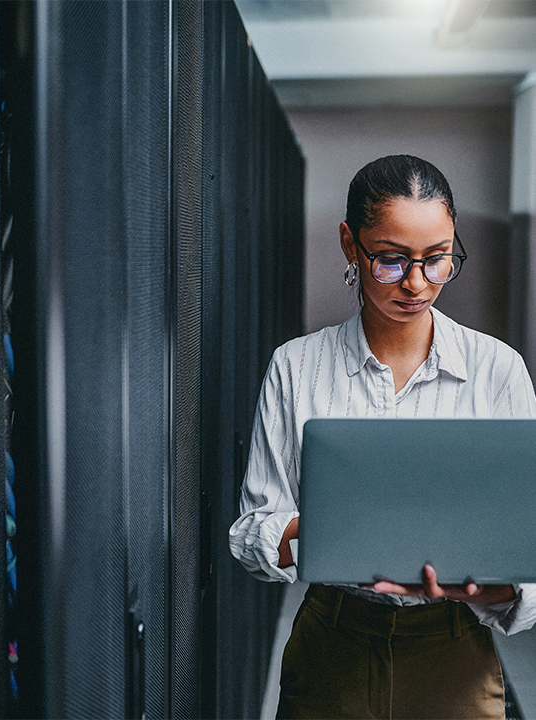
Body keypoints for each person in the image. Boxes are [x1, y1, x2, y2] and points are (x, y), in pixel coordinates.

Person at [228, 155, 536, 719]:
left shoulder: (499, 370)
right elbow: (252, 532)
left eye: (438, 259)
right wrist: (323, 531)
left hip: (454, 646)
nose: (417, 283)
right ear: (351, 245)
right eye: (391, 261)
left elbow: (525, 553)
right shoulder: (296, 367)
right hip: (333, 641)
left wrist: (485, 591)